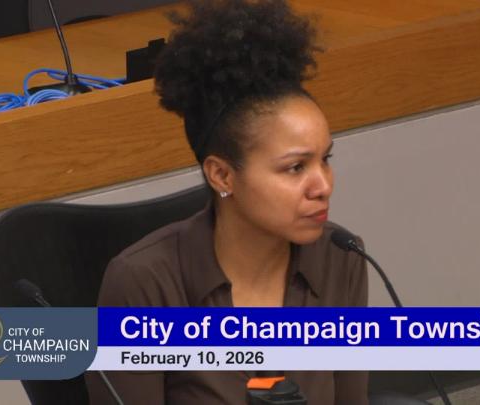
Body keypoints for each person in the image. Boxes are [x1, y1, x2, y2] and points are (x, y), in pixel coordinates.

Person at [86, 0, 368, 403]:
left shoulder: (341, 258)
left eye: (326, 159)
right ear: (222, 175)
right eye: (295, 168)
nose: (323, 185)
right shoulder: (144, 285)